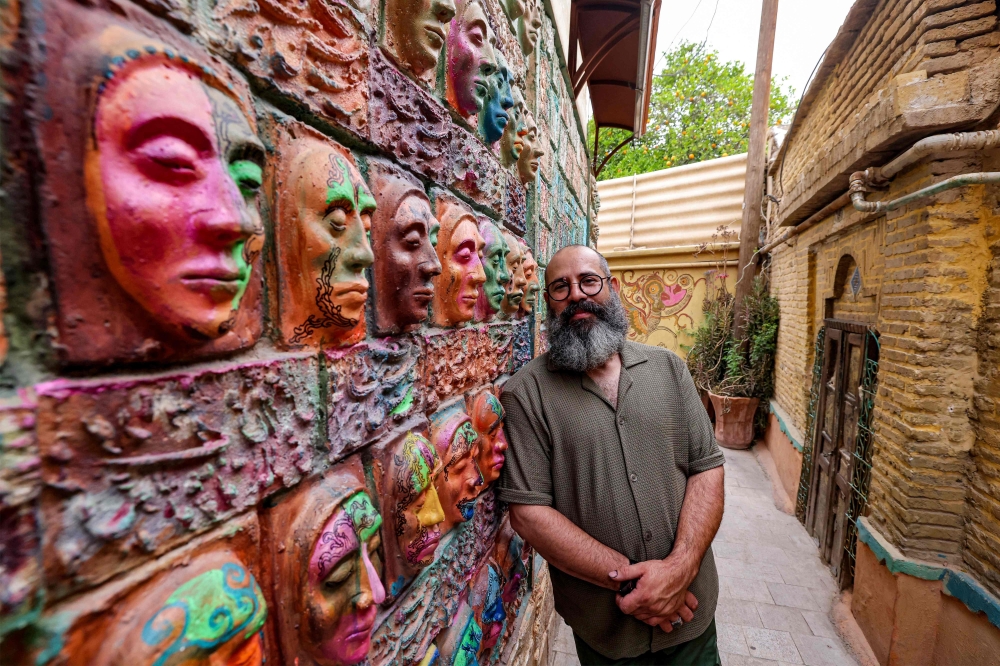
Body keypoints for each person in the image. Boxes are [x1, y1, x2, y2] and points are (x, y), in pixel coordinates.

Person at [498, 245, 726, 665]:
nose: (576, 295)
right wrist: (637, 585)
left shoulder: (669, 369)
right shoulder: (526, 394)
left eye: (589, 281)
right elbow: (529, 514)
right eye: (560, 287)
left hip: (690, 614)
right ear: (548, 301)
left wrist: (680, 569)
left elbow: (706, 468)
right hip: (606, 631)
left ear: (612, 287)